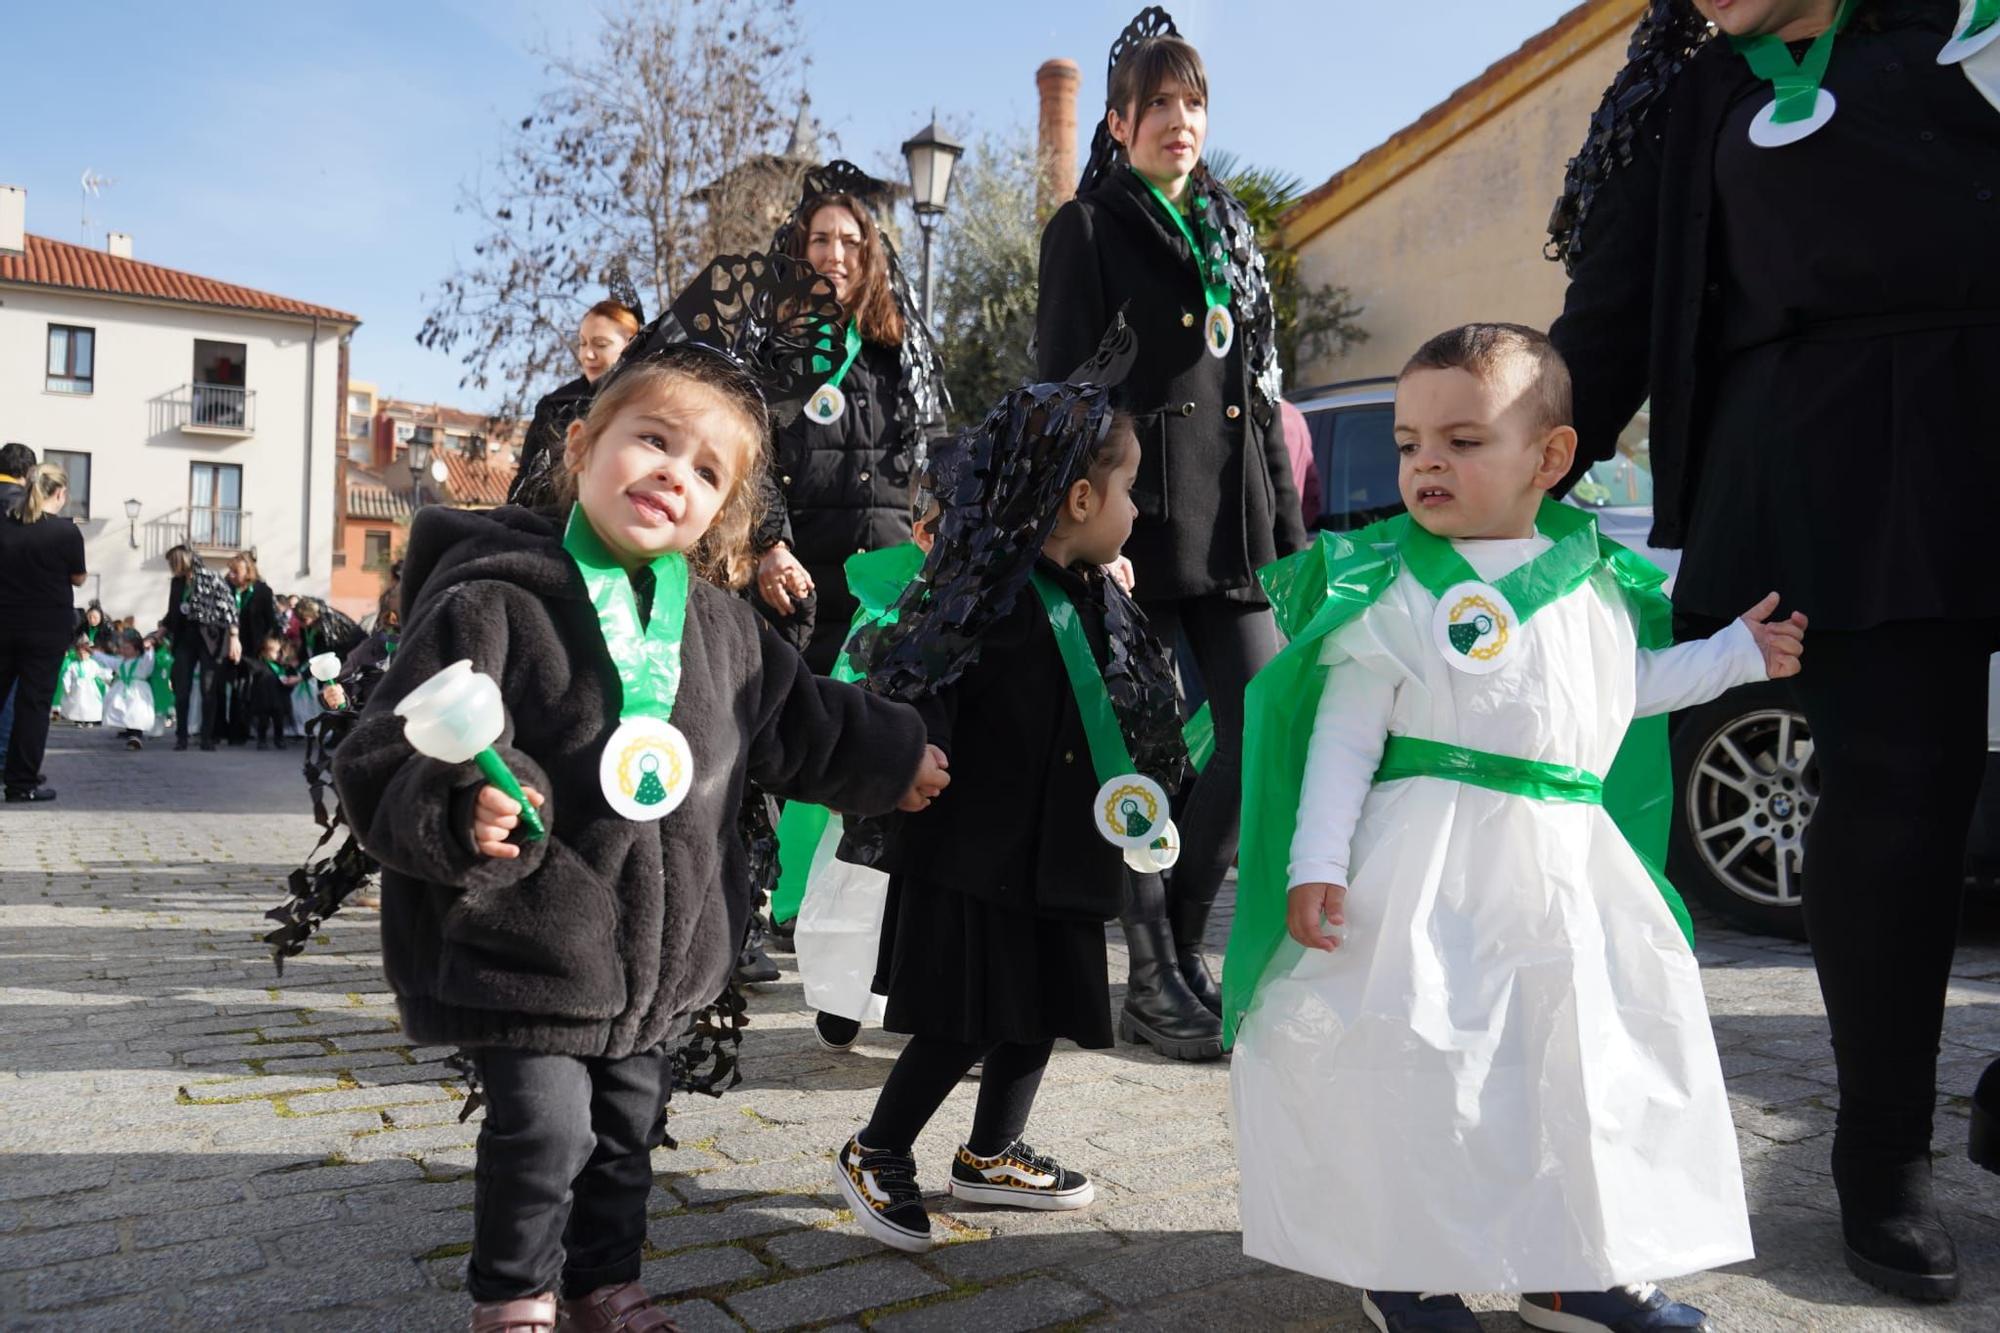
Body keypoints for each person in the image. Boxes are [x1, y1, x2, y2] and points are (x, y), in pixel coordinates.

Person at [332, 250, 945, 1333]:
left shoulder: (719, 629)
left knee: (625, 1130)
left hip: (659, 957)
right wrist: (465, 803)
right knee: (542, 1130)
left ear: (722, 514)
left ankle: (602, 1285)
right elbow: (383, 752)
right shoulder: (492, 601)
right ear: (581, 448)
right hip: (526, 943)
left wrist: (897, 761)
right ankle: (513, 1298)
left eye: (707, 470)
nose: (675, 471)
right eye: (652, 440)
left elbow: (803, 725)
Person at [1544, 0, 1998, 1302]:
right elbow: (1614, 315)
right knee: (1896, 808)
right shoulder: (1696, 98)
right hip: (1838, 474)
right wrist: (1498, 450)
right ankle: (1882, 1158)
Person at [1226, 326, 1805, 1333]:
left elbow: (1621, 689)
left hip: (1566, 871)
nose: (1425, 464)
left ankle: (1569, 1266)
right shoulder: (1388, 586)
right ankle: (1402, 1261)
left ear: (1548, 457)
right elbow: (1342, 737)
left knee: (1578, 1063)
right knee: (1422, 1063)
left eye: (1459, 439)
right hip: (1423, 875)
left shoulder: (1594, 579)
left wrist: (1734, 657)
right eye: (1408, 444)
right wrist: (1315, 862)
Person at [829, 323, 1183, 1254]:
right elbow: (913, 674)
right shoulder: (983, 589)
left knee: (1044, 1011)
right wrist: (918, 752)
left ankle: (991, 1152)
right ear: (1077, 496)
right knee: (965, 1017)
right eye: (1129, 490)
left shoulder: (1089, 586)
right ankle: (878, 1147)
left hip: (1060, 848)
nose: (1137, 509)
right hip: (976, 855)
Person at [1036, 9, 1306, 1060]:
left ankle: (1182, 947)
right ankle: (1152, 978)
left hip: (1234, 536)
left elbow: (1262, 396)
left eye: (1191, 103)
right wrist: (1085, 528)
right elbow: (1064, 390)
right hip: (1132, 530)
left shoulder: (1231, 236)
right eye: (1155, 105)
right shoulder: (1090, 228)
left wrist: (1283, 541)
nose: (1176, 121)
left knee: (1265, 729)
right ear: (1117, 121)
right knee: (1135, 760)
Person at [755, 160, 951, 671]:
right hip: (799, 591)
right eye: (820, 240)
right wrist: (770, 544)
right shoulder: (774, 351)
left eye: (849, 241)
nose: (834, 255)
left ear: (870, 255)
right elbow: (748, 459)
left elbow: (936, 449)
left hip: (887, 589)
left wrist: (934, 522)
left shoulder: (901, 353)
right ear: (800, 252)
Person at [508, 287, 643, 508]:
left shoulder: (651, 403)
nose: (587, 355)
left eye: (600, 344)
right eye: (582, 343)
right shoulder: (554, 407)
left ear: (632, 344)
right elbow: (524, 480)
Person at [0, 463, 84, 803]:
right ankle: (22, 783)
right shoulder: (66, 532)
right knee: (32, 706)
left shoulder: (4, 525)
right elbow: (78, 577)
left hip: (4, 622)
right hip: (46, 628)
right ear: (60, 493)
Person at [163, 545, 240, 752]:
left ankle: (207, 737)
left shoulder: (210, 578)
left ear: (184, 560)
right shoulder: (177, 583)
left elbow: (230, 609)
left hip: (210, 639)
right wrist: (161, 630)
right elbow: (172, 612)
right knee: (182, 689)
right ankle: (181, 737)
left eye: (174, 562)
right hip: (184, 639)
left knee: (209, 690)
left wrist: (234, 637)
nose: (171, 567)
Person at [225, 552, 278, 746]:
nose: (231, 575)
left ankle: (254, 730)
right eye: (230, 571)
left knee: (251, 691)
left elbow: (271, 621)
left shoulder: (262, 591)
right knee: (236, 689)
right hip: (231, 647)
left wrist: (269, 647)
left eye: (235, 571)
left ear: (248, 571)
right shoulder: (228, 589)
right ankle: (235, 732)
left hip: (255, 649)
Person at [102, 627, 158, 750]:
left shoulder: (141, 662)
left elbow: (149, 661)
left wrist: (149, 649)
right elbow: (107, 660)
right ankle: (129, 730)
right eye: (122, 647)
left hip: (138, 692)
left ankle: (136, 736)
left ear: (137, 650)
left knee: (136, 711)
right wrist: (93, 654)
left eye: (127, 648)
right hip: (123, 689)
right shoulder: (121, 662)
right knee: (124, 709)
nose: (123, 650)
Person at [247, 634, 299, 751]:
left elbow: (293, 676)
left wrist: (290, 679)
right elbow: (249, 664)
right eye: (275, 652)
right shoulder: (260, 665)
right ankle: (262, 740)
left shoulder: (283, 667)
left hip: (279, 700)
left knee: (279, 721)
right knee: (263, 722)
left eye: (280, 651)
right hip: (263, 700)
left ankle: (279, 739)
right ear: (265, 653)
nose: (279, 654)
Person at [55, 630, 111, 726]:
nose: (82, 655)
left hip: (90, 688)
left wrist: (108, 677)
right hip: (76, 688)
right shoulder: (73, 665)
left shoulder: (93, 664)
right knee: (78, 704)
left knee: (91, 703)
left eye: (85, 653)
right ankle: (78, 720)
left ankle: (90, 720)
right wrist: (67, 687)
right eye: (80, 653)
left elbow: (100, 672)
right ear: (77, 653)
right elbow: (67, 676)